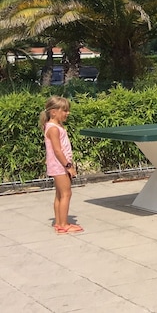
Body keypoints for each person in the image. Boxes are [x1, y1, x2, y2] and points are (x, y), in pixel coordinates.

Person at [41, 96, 83, 234]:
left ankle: (59, 223)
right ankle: (64, 225)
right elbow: (58, 151)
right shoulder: (53, 128)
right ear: (53, 112)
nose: (67, 113)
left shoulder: (55, 126)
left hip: (57, 166)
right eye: (64, 110)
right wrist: (68, 166)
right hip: (60, 166)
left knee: (59, 194)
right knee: (66, 194)